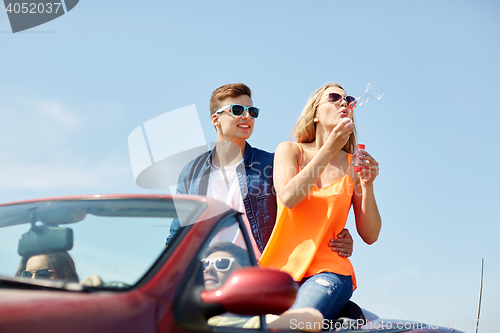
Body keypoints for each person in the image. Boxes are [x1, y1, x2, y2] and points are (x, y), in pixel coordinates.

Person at [166, 83, 353, 258]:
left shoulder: (271, 164)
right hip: (205, 275)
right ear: (216, 119)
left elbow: (308, 205)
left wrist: (339, 236)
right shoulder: (191, 172)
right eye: (237, 110)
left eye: (252, 111)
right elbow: (177, 234)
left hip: (258, 275)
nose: (247, 116)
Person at [259, 82, 382, 320]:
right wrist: (328, 148)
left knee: (293, 324)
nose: (343, 103)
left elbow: (370, 235)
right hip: (279, 271)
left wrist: (368, 184)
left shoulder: (352, 165)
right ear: (315, 113)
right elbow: (289, 196)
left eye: (348, 100)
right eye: (334, 97)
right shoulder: (290, 151)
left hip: (330, 271)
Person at [203, 242, 323, 331]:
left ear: (247, 276)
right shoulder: (186, 311)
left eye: (222, 263)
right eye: (204, 265)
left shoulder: (253, 322)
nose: (208, 269)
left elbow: (312, 319)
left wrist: (254, 328)